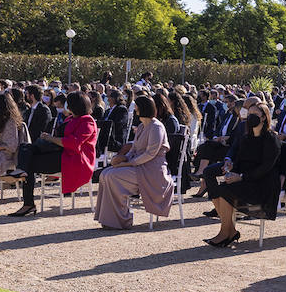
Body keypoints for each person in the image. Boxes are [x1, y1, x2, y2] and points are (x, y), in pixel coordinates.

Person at [204, 99, 280, 246]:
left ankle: (226, 233)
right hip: (245, 179)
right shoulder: (247, 137)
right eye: (249, 113)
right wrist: (231, 166)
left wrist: (240, 177)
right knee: (221, 189)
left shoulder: (271, 139)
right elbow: (240, 159)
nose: (250, 116)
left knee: (226, 190)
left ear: (264, 117)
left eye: (255, 114)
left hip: (262, 182)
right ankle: (228, 232)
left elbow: (266, 167)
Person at [10, 91, 98, 216]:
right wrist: (49, 138)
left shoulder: (87, 121)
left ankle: (28, 202)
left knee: (29, 163)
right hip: (61, 154)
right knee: (25, 148)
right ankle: (23, 175)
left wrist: (50, 139)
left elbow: (74, 143)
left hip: (75, 160)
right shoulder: (71, 118)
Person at [94, 96, 175, 230]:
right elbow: (134, 149)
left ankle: (122, 220)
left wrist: (128, 164)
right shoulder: (143, 126)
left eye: (136, 105)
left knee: (112, 176)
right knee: (105, 174)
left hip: (151, 170)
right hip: (138, 166)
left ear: (142, 107)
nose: (134, 108)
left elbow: (150, 154)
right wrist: (122, 159)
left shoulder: (156, 127)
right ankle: (110, 220)